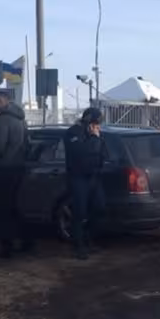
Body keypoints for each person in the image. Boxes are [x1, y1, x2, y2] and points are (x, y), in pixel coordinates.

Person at [0, 89, 31, 258]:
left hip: (4, 168)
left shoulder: (2, 121)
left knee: (2, 209)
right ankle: (26, 240)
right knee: (14, 206)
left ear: (1, 101)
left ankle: (6, 247)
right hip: (18, 166)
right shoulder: (20, 119)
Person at [63, 107, 107, 260]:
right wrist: (94, 138)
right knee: (79, 212)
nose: (97, 127)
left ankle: (89, 239)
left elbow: (102, 152)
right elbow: (81, 153)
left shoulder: (96, 134)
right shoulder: (73, 133)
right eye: (95, 124)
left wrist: (97, 139)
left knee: (99, 208)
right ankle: (78, 245)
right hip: (78, 177)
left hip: (93, 176)